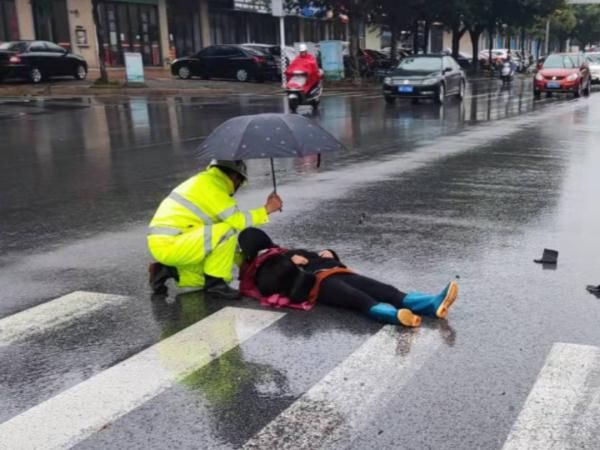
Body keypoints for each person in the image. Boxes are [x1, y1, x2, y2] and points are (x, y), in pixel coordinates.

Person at [238, 228, 459, 327]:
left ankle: (431, 304)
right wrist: (289, 264)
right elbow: (271, 287)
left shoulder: (282, 251)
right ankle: (395, 316)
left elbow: (313, 257)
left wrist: (329, 254)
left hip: (335, 272)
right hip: (319, 285)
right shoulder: (260, 269)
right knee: (357, 298)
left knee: (384, 289)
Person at [147, 160, 283, 299]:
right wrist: (267, 210)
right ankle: (215, 284)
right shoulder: (213, 186)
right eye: (240, 183)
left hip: (174, 242)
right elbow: (236, 223)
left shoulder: (207, 181)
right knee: (228, 229)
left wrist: (243, 263)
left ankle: (166, 270)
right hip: (171, 244)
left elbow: (219, 241)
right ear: (235, 177)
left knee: (203, 279)